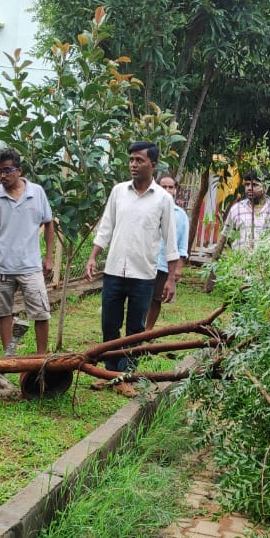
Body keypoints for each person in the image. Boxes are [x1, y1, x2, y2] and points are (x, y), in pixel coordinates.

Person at [84, 142, 180, 397]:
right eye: (131, 160)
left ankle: (128, 375)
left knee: (135, 329)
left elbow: (170, 241)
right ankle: (110, 374)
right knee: (109, 324)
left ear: (153, 165)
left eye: (139, 160)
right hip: (115, 270)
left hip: (144, 275)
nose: (133, 165)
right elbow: (106, 227)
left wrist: (171, 278)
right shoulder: (118, 192)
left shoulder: (163, 199)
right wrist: (93, 257)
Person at [0, 147, 56, 356]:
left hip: (30, 265)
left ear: (19, 170)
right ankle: (8, 355)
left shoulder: (37, 192)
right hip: (2, 265)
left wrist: (49, 258)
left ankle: (41, 357)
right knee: (3, 312)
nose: (2, 176)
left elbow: (49, 224)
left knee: (40, 312)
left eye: (6, 170)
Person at [204, 168, 270, 292]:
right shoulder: (236, 210)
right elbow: (225, 239)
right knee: (238, 308)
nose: (249, 188)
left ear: (266, 187)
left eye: (254, 185)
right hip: (240, 275)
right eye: (247, 184)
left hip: (269, 277)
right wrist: (211, 278)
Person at [146, 174, 189, 330]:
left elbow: (182, 244)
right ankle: (134, 331)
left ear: (175, 190)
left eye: (171, 187)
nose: (167, 190)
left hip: (164, 264)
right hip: (145, 261)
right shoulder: (148, 208)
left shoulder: (181, 215)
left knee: (156, 299)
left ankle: (147, 332)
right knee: (140, 297)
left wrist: (178, 268)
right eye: (164, 186)